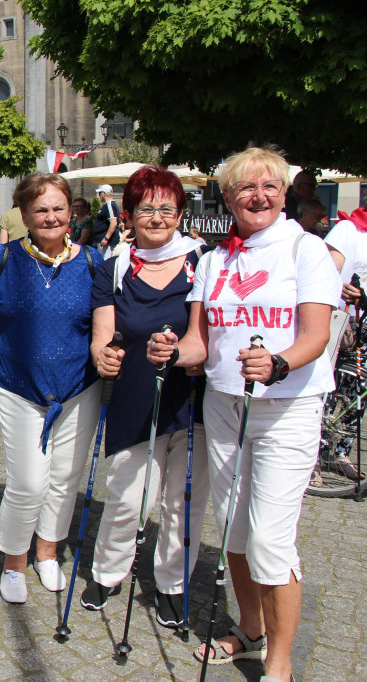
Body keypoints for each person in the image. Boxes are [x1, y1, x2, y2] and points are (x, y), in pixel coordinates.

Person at [148, 146, 338, 681]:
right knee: (233, 531)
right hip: (226, 405)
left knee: (269, 540)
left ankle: (280, 665)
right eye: (245, 189)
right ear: (228, 198)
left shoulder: (306, 251)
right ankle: (250, 632)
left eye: (269, 188)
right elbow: (198, 344)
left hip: (287, 409)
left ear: (284, 194)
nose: (258, 197)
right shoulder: (215, 260)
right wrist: (169, 350)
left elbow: (317, 336)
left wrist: (277, 363)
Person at [82, 165, 210, 627]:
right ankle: (107, 572)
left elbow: (210, 335)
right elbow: (104, 332)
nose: (157, 217)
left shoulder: (204, 260)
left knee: (183, 500)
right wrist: (103, 356)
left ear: (179, 212)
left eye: (166, 208)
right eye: (146, 209)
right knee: (127, 494)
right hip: (136, 393)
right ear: (130, 215)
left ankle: (173, 584)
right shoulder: (115, 265)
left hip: (191, 398)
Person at [0, 173, 103, 604]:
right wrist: (3, 362)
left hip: (79, 389)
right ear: (25, 215)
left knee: (65, 478)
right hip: (20, 390)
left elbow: (104, 323)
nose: (50, 217)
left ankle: (48, 551)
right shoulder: (3, 259)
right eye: (40, 210)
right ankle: (14, 560)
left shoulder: (92, 262)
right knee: (28, 482)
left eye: (58, 208)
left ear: (71, 212)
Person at [94, 184, 122, 253]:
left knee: (105, 261)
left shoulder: (110, 205)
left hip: (107, 243)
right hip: (103, 241)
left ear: (104, 194)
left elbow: (113, 222)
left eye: (99, 193)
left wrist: (106, 238)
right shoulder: (107, 205)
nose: (99, 195)